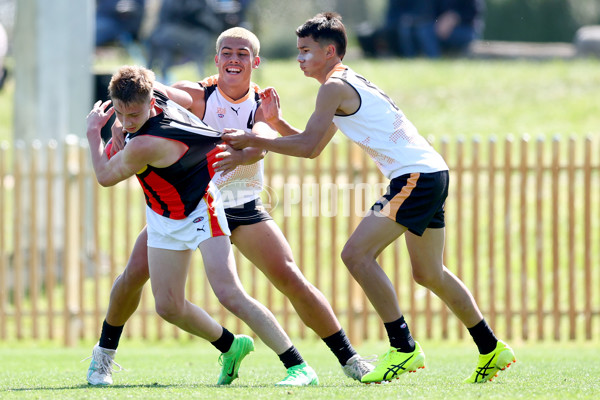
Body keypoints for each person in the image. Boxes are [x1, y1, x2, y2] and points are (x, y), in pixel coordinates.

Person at [222, 12, 516, 384]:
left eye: (306, 51)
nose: (299, 58)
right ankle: (491, 346)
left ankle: (403, 348)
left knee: (356, 255)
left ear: (329, 52)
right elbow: (313, 144)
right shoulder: (344, 82)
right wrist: (276, 125)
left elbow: (309, 145)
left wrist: (254, 138)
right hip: (431, 172)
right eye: (298, 51)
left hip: (415, 176)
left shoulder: (332, 87)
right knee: (429, 273)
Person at [85, 65, 318, 387]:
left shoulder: (144, 143)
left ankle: (298, 366)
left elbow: (105, 176)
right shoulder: (158, 104)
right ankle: (230, 345)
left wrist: (93, 133)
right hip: (163, 217)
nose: (126, 122)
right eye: (120, 114)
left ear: (152, 101)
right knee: (168, 306)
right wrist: (120, 130)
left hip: (200, 209)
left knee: (229, 293)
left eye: (134, 114)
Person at [384, 0, 484, 58]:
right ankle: (411, 60)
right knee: (411, 28)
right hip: (436, 28)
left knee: (426, 32)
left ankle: (434, 60)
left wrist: (455, 17)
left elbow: (475, 11)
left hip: (465, 29)